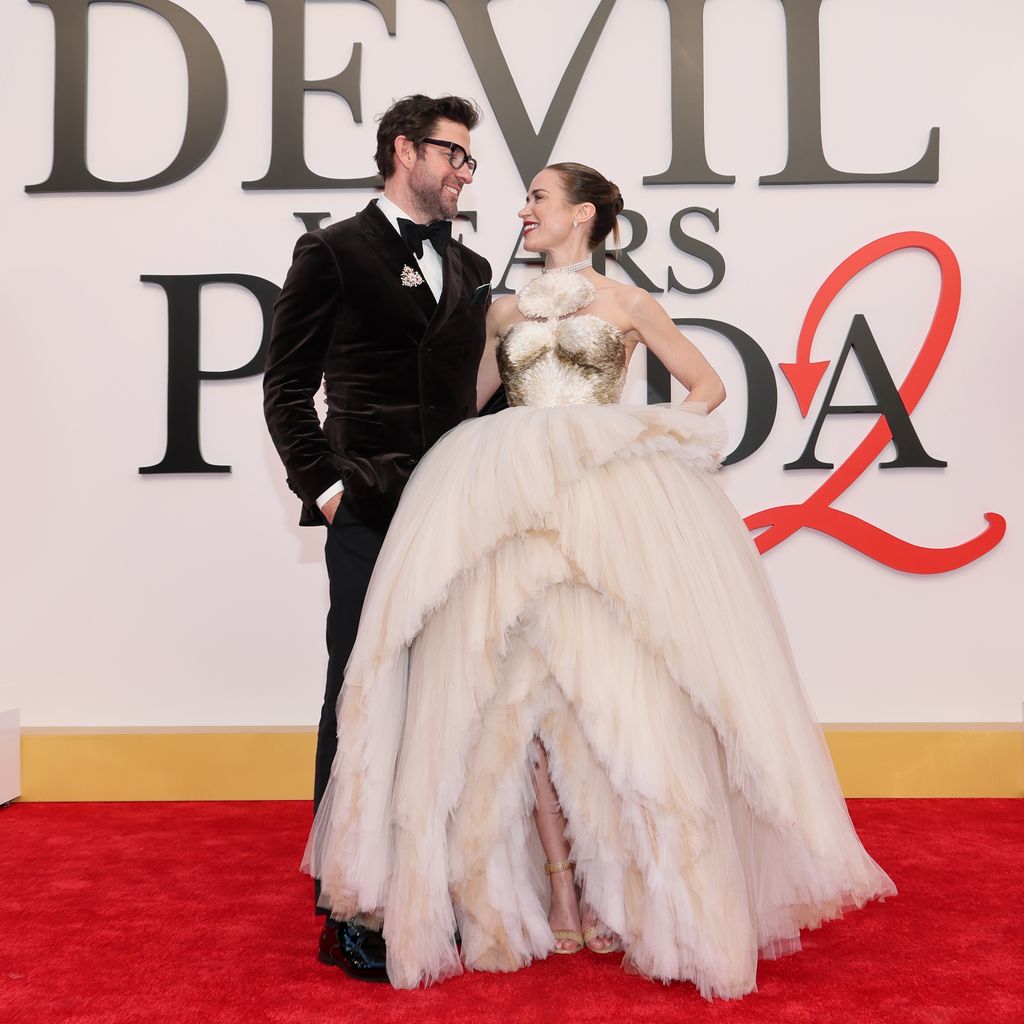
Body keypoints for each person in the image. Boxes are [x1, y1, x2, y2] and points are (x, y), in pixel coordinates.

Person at [303, 162, 895, 995]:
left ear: (581, 213)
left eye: (538, 198)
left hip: (602, 514)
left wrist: (633, 437)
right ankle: (557, 886)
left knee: (612, 692)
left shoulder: (626, 303)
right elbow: (467, 404)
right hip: (513, 509)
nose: (523, 209)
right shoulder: (498, 307)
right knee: (513, 698)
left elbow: (708, 386)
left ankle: (640, 891)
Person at [263, 94, 492, 983]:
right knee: (358, 694)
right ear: (405, 150)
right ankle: (347, 903)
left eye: (471, 162)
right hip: (369, 508)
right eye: (453, 156)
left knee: (448, 695)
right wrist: (325, 490)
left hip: (455, 510)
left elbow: (477, 398)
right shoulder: (334, 249)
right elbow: (285, 386)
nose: (464, 173)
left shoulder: (469, 265)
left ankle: (433, 883)